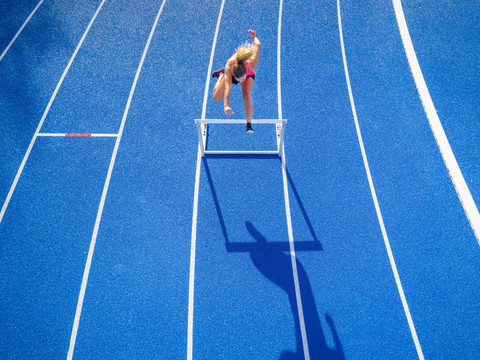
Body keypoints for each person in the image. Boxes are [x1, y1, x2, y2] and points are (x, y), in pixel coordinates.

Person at [212, 29, 261, 133]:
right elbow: (227, 88)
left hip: (248, 72)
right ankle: (221, 75)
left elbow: (258, 45)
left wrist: (254, 37)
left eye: (242, 79)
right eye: (239, 80)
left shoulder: (252, 64)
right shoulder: (229, 66)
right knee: (216, 98)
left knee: (246, 94)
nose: (241, 82)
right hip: (230, 72)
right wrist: (226, 106)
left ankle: (249, 125)